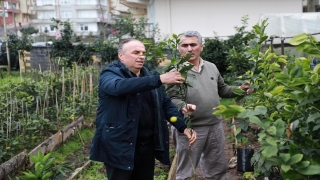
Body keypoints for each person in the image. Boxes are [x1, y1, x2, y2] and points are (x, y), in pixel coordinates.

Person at [90, 39, 197, 180]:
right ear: (121, 56)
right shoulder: (110, 74)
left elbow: (165, 103)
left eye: (143, 53)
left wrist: (183, 126)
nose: (142, 56)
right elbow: (119, 87)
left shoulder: (149, 74)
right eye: (136, 52)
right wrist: (159, 79)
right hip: (120, 145)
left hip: (146, 145)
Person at [168, 31, 254, 180]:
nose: (189, 49)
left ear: (201, 47)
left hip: (215, 125)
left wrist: (240, 89)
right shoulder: (176, 72)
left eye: (193, 44)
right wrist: (183, 105)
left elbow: (223, 90)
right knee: (186, 172)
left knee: (216, 169)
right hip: (190, 129)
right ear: (179, 48)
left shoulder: (211, 67)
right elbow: (170, 99)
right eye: (184, 45)